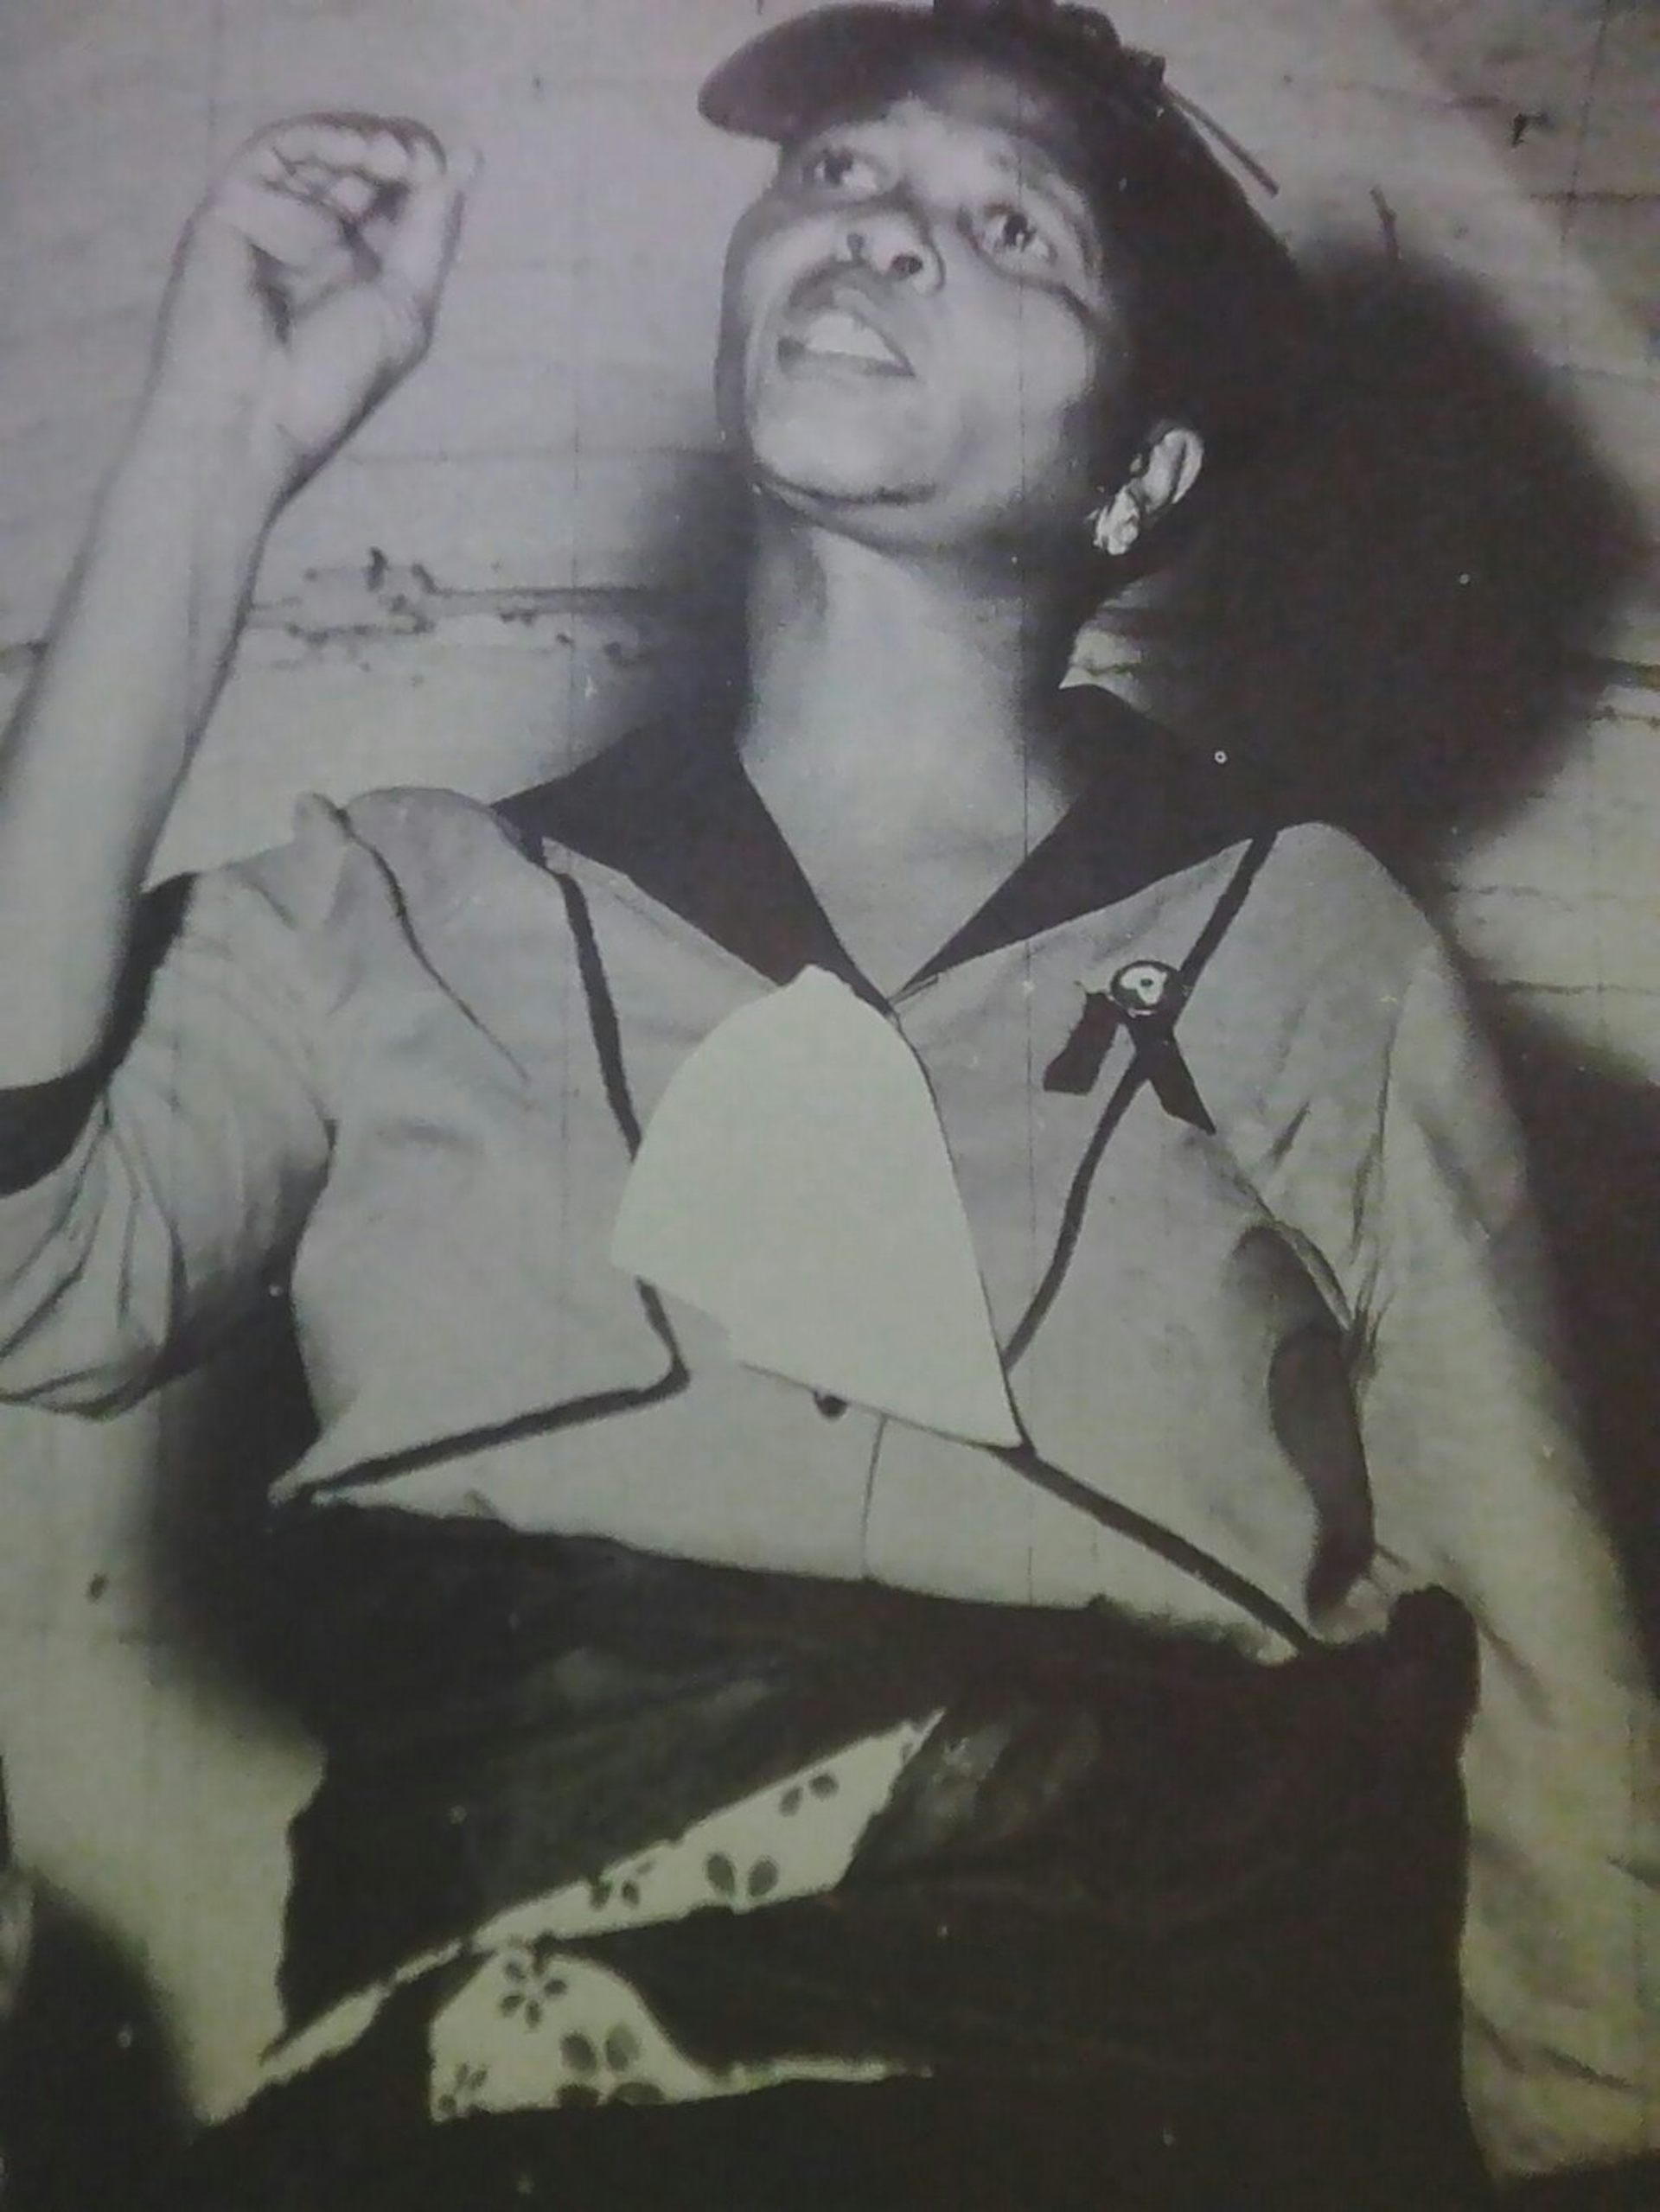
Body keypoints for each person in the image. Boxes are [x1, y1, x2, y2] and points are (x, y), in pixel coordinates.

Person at [0, 2, 1653, 2204]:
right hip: (480, 2110)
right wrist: (218, 435)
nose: (878, 237)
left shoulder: (1304, 944)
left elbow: (1549, 1658)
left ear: (1141, 477)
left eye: (1007, 228)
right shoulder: (398, 902)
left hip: (1135, 2108)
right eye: (843, 178)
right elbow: (33, 1268)